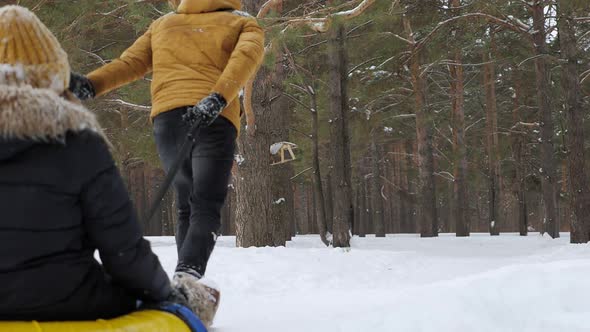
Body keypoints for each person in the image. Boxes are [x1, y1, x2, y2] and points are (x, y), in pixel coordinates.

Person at [69, 0, 265, 316]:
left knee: (187, 201)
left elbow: (130, 62)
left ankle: (181, 282)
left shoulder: (164, 24)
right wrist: (217, 97)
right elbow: (245, 60)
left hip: (168, 118)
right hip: (213, 117)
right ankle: (187, 278)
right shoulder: (243, 22)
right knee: (205, 203)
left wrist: (92, 84)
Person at [0, 5, 176, 321]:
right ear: (56, 76)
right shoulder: (79, 143)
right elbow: (123, 253)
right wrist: (167, 295)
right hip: (69, 302)